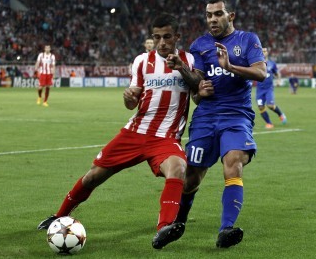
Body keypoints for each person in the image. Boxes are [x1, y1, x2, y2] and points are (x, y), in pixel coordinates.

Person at [37, 13, 209, 250]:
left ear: (176, 37)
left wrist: (180, 68)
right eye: (157, 37)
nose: (162, 42)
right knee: (94, 176)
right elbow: (132, 101)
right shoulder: (141, 61)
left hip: (166, 138)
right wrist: (128, 97)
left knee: (178, 169)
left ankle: (164, 229)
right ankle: (59, 216)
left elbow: (198, 90)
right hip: (135, 133)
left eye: (167, 37)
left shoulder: (189, 60)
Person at [174, 0, 267, 248]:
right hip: (206, 117)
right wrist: (195, 85)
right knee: (192, 175)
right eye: (208, 15)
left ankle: (226, 229)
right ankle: (178, 222)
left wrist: (230, 66)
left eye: (217, 14)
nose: (212, 19)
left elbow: (261, 72)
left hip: (236, 116)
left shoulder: (248, 40)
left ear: (230, 16)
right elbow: (197, 86)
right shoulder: (200, 45)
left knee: (233, 162)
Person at [256, 47, 287, 129]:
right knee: (260, 106)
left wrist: (278, 80)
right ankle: (269, 123)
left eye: (265, 51)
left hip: (268, 88)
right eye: (261, 51)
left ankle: (280, 114)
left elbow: (277, 73)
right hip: (259, 89)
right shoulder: (255, 64)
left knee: (270, 105)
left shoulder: (271, 63)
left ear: (267, 53)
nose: (263, 52)